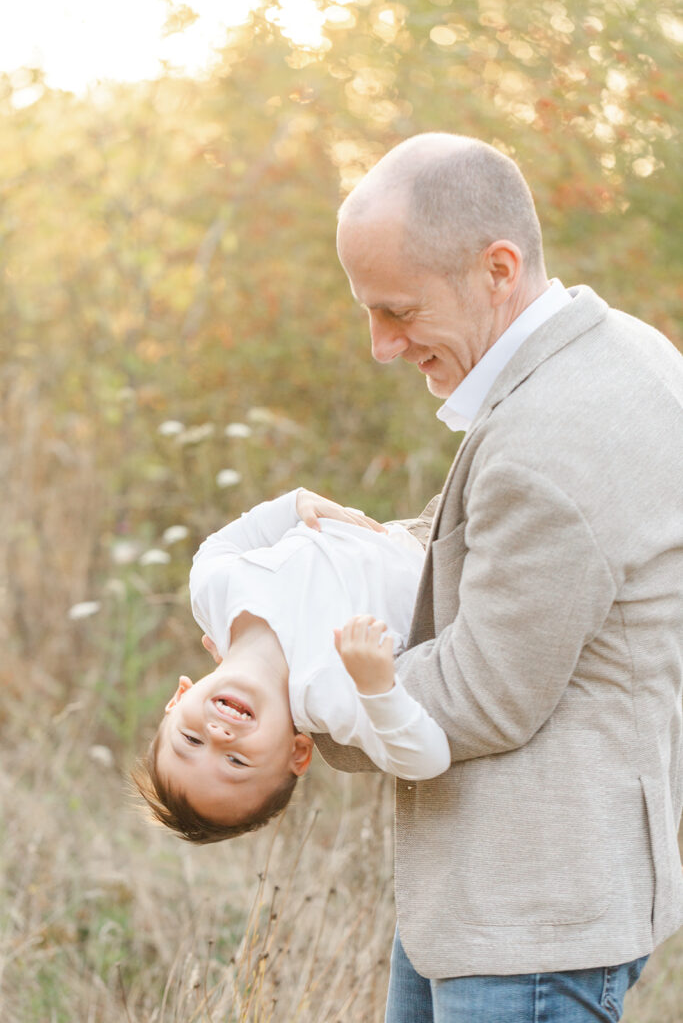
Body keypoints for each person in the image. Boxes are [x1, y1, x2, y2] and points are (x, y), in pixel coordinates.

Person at [310, 132, 683, 1022]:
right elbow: (523, 560)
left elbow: (482, 691)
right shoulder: (613, 352)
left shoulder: (550, 439)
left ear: (497, 269)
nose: (381, 346)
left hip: (530, 919)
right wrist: (358, 547)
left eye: (397, 312)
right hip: (498, 897)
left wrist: (296, 693)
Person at [132, 487, 450, 843]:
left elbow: (218, 546)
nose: (219, 736)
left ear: (177, 699)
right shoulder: (332, 695)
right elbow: (428, 761)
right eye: (236, 762)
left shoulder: (212, 596)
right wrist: (378, 689)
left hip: (412, 525)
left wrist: (295, 504)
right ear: (297, 753)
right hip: (446, 570)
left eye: (191, 739)